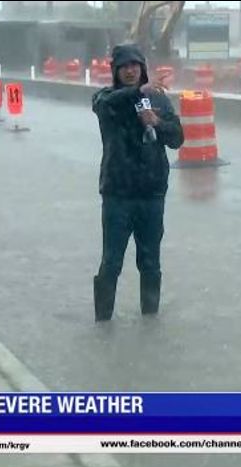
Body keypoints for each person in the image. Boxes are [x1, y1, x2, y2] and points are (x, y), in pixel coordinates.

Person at [91, 44, 184, 322]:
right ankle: (103, 322)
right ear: (116, 71)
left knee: (150, 263)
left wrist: (157, 122)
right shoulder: (106, 99)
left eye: (136, 65)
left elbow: (178, 139)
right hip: (118, 194)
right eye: (125, 66)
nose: (131, 71)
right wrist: (138, 93)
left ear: (143, 68)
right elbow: (105, 106)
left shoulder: (159, 99)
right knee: (111, 262)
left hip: (151, 194)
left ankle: (150, 320)